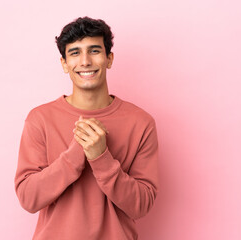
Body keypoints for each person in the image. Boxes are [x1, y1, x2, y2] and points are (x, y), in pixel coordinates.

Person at [14, 16, 159, 240]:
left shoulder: (141, 123)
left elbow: (141, 206)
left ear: (109, 59)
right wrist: (73, 157)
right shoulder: (40, 119)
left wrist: (101, 157)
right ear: (64, 64)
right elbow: (29, 199)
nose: (85, 62)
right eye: (74, 53)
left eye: (94, 51)